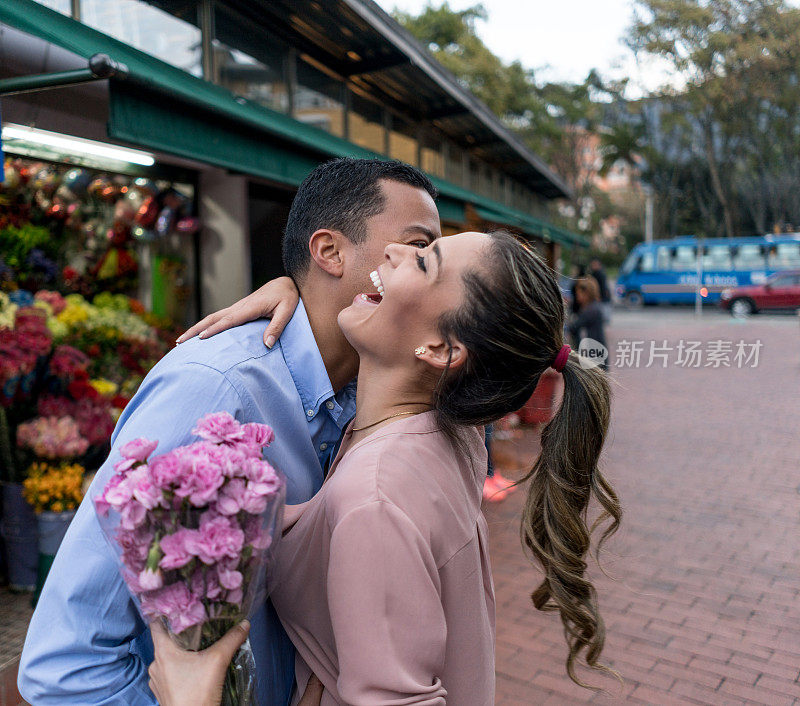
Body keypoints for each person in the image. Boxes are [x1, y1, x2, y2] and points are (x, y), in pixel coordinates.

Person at [18, 157, 442, 706]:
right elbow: (66, 664)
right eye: (417, 246)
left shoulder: (376, 390)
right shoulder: (215, 391)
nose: (425, 268)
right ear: (331, 252)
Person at [149, 230, 621, 704]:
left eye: (423, 261)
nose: (395, 250)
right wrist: (297, 293)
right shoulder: (448, 428)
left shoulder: (376, 495)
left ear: (440, 350)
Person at [568, 277, 608, 371]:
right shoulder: (594, 307)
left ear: (586, 293)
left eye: (578, 293)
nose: (577, 296)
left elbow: (573, 327)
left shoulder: (591, 310)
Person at [589, 257, 612, 322]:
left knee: (602, 314)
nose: (593, 266)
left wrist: (599, 296)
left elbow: (602, 286)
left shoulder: (599, 274)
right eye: (592, 264)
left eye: (595, 264)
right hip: (602, 297)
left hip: (602, 297)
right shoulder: (599, 273)